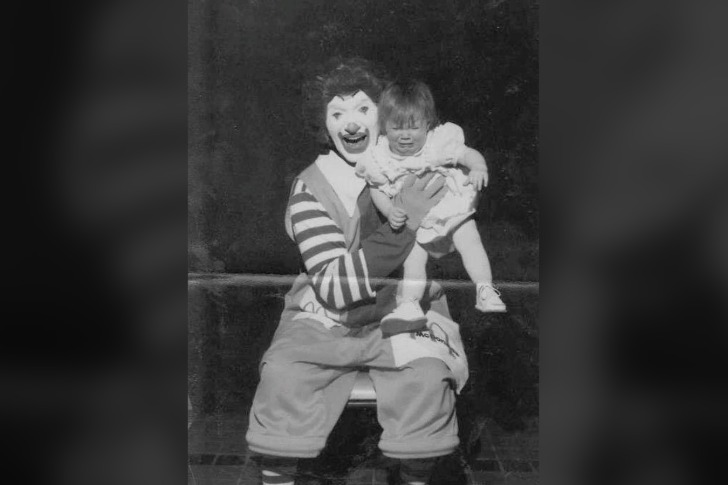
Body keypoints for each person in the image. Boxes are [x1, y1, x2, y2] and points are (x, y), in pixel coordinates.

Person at [245, 58, 467, 485]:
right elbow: (334, 287)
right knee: (283, 377)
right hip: (327, 319)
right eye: (337, 113)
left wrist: (444, 219)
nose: (351, 124)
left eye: (363, 109)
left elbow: (447, 249)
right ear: (325, 125)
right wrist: (406, 227)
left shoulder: (421, 168)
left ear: (384, 115)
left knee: (427, 382)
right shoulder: (310, 188)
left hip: (402, 318)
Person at [355, 79, 506, 337]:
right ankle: (410, 304)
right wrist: (389, 210)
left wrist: (478, 167)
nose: (405, 135)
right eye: (396, 128)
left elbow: (467, 153)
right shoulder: (379, 157)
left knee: (469, 238)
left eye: (414, 127)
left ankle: (485, 289)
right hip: (417, 219)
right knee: (413, 258)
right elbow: (376, 187)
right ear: (384, 126)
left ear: (428, 124)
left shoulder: (438, 142)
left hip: (450, 208)